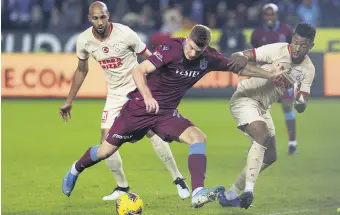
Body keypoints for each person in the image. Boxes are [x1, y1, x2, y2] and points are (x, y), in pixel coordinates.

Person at [62, 24, 285, 208]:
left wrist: (270, 74)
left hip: (166, 114)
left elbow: (239, 68)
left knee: (198, 138)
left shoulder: (208, 58)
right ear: (187, 39)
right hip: (138, 109)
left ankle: (197, 192)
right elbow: (139, 71)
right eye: (190, 48)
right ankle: (75, 169)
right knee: (105, 151)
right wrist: (148, 97)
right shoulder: (171, 48)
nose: (192, 53)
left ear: (205, 48)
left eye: (197, 51)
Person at [59, 1, 190, 201]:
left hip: (137, 88)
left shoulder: (125, 33)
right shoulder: (84, 40)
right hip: (114, 94)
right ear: (89, 19)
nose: (100, 21)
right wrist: (69, 100)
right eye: (95, 18)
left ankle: (178, 179)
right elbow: (82, 70)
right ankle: (122, 187)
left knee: (153, 132)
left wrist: (161, 85)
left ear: (108, 15)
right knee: (105, 143)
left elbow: (150, 58)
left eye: (102, 17)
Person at [219, 23, 316, 209]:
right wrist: (241, 57)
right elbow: (242, 55)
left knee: (270, 156)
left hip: (263, 107)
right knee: (261, 135)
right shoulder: (277, 49)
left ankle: (230, 195)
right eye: (295, 42)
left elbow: (302, 103)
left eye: (303, 45)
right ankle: (248, 191)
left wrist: (300, 101)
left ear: (310, 46)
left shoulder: (308, 70)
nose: (297, 48)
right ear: (292, 39)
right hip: (245, 98)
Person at [250, 3, 298, 155]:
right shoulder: (257, 34)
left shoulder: (287, 31)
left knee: (287, 105)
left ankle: (292, 143)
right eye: (267, 14)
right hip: (264, 76)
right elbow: (253, 56)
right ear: (264, 16)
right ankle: (258, 144)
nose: (269, 17)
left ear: (276, 15)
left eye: (272, 14)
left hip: (283, 74)